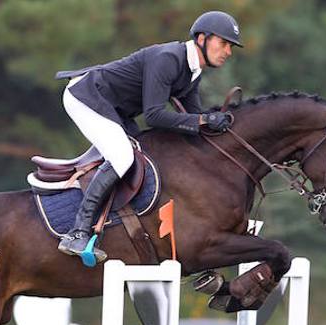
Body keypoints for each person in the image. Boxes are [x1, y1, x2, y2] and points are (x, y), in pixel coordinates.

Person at [55, 10, 243, 263]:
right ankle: (77, 233)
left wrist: (214, 121)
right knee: (122, 158)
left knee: (148, 157)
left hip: (116, 109)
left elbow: (192, 115)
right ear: (202, 38)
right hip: (87, 96)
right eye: (224, 43)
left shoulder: (191, 72)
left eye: (230, 46)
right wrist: (202, 120)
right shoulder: (168, 58)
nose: (228, 52)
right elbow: (154, 116)